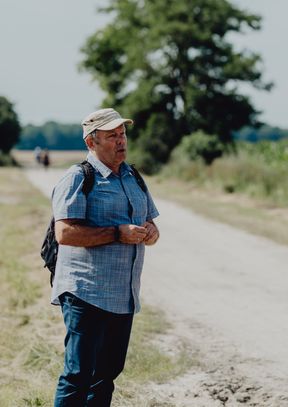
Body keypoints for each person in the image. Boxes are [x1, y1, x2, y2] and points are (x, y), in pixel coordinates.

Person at [51, 108, 160, 406]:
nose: (121, 141)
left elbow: (152, 224)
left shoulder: (133, 176)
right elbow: (65, 233)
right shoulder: (77, 178)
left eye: (122, 134)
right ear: (91, 142)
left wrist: (151, 233)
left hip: (122, 295)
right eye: (112, 136)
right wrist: (116, 233)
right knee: (78, 375)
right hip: (85, 293)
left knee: (107, 375)